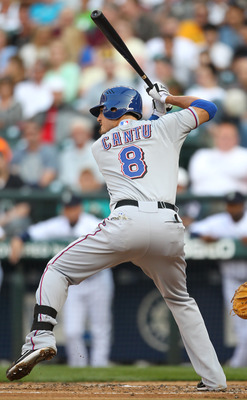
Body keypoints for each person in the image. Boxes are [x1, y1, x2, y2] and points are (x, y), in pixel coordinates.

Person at [6, 82, 227, 391]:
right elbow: (208, 107)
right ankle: (215, 379)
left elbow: (140, 138)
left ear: (115, 109)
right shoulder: (166, 126)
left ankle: (40, 338)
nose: (98, 119)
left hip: (127, 223)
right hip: (169, 226)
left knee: (57, 269)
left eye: (101, 112)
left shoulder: (102, 146)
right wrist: (169, 99)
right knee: (181, 300)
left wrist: (159, 109)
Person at [8, 192, 114, 367]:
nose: (69, 212)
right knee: (72, 331)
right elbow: (33, 232)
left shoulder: (92, 223)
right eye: (66, 208)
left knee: (100, 328)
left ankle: (100, 366)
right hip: (74, 283)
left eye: (72, 208)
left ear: (79, 207)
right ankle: (78, 367)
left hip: (98, 280)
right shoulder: (59, 224)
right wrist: (19, 239)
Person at [189, 191, 247, 368]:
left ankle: (238, 363)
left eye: (236, 204)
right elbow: (193, 229)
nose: (232, 208)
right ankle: (239, 363)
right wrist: (203, 237)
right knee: (239, 323)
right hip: (231, 279)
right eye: (230, 205)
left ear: (243, 204)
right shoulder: (220, 221)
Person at [188, 121, 247, 196]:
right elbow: (195, 177)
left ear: (236, 138)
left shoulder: (244, 155)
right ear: (215, 138)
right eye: (222, 137)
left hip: (234, 203)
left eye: (228, 137)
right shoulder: (202, 155)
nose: (225, 140)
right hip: (204, 201)